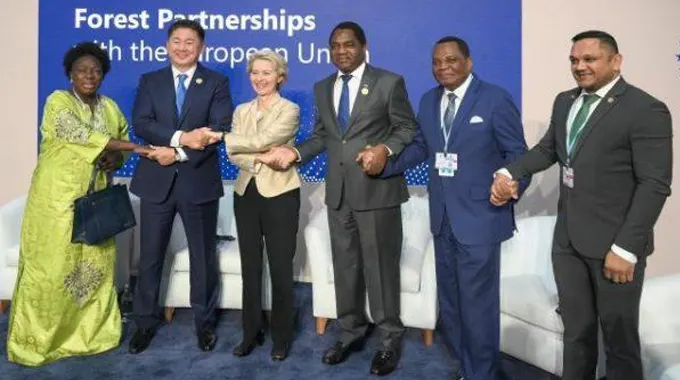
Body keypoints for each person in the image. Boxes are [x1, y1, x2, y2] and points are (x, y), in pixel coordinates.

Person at [491, 30, 672, 380]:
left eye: (589, 59)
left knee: (620, 342)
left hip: (615, 247)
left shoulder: (646, 109)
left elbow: (654, 185)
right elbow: (548, 150)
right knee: (576, 333)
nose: (580, 66)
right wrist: (508, 172)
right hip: (568, 242)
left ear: (615, 61)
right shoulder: (565, 101)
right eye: (574, 60)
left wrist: (626, 249)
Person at [261, 21, 417, 376]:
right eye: (335, 46)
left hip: (377, 192)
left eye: (349, 44)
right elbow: (323, 138)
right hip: (339, 194)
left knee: (380, 271)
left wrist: (384, 148)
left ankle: (390, 337)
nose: (341, 51)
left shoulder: (389, 82)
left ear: (363, 46)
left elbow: (407, 128)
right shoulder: (322, 88)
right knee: (346, 269)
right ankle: (351, 331)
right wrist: (294, 153)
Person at [380, 37, 528, 380]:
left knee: (478, 306)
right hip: (443, 218)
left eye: (451, 60)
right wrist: (384, 163)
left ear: (469, 63)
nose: (443, 67)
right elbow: (420, 147)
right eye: (436, 62)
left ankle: (483, 374)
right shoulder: (429, 100)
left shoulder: (495, 99)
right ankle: (469, 367)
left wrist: (511, 183)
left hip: (481, 218)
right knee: (452, 305)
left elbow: (517, 153)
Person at [6, 42, 151, 366]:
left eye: (96, 70)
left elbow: (118, 142)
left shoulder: (110, 107)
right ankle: (42, 341)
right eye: (82, 69)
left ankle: (90, 336)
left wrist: (118, 155)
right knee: (51, 270)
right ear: (70, 74)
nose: (90, 75)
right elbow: (81, 135)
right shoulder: (58, 102)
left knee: (93, 269)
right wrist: (136, 148)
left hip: (97, 204)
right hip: (56, 203)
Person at [128, 19, 233, 354]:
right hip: (156, 181)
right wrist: (179, 139)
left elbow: (219, 128)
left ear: (201, 47)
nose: (183, 47)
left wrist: (179, 155)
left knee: (203, 258)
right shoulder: (151, 80)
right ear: (166, 45)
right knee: (150, 258)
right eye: (177, 41)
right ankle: (144, 323)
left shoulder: (216, 81)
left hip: (197, 179)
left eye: (190, 42)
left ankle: (204, 325)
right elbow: (142, 123)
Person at [204, 50, 301, 361]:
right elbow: (235, 152)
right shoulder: (241, 110)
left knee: (281, 268)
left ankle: (282, 338)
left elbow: (269, 137)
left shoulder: (291, 109)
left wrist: (241, 142)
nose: (260, 78)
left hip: (281, 194)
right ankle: (251, 332)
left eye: (267, 73)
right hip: (246, 193)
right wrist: (260, 154)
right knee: (250, 266)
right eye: (255, 73)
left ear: (279, 77)